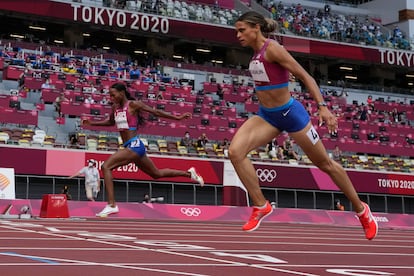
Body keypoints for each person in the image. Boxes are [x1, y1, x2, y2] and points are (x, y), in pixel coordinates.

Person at [230, 11, 377, 240]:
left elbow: (305, 76)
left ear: (256, 28)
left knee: (325, 164)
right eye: (236, 31)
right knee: (235, 152)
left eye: (241, 30)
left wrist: (322, 106)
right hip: (267, 116)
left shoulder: (273, 49)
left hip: (291, 114)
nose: (237, 34)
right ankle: (260, 205)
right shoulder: (255, 54)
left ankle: (362, 210)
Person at [82, 82, 204, 217]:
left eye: (113, 95)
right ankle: (189, 174)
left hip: (135, 145)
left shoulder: (133, 105)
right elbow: (110, 122)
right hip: (130, 147)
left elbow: (156, 112)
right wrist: (92, 123)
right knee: (156, 174)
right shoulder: (115, 108)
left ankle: (111, 205)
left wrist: (177, 118)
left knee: (106, 167)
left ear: (122, 93)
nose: (111, 98)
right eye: (110, 95)